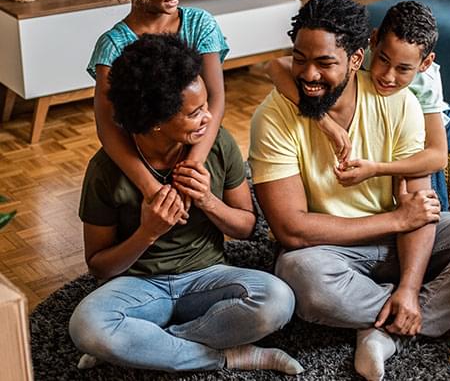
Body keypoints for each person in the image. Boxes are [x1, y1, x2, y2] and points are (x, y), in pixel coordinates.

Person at [249, 0, 450, 381]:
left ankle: (390, 323)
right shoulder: (273, 117)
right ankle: (448, 308)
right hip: (328, 251)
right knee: (300, 275)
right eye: (300, 58)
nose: (309, 74)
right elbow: (292, 230)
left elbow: (419, 202)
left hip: (397, 242)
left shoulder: (400, 103)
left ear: (355, 59)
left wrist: (411, 289)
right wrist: (396, 220)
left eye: (324, 62)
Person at [69, 34, 303, 375]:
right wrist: (147, 232)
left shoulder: (217, 145)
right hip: (138, 286)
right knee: (86, 327)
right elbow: (101, 267)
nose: (209, 118)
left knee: (278, 300)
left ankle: (149, 344)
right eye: (195, 113)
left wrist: (208, 201)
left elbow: (248, 228)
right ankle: (229, 357)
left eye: (206, 105)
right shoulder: (106, 170)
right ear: (156, 121)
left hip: (206, 278)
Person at [264, 0, 450, 210]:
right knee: (428, 203)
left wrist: (378, 169)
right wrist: (322, 120)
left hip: (446, 123)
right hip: (392, 126)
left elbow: (436, 155)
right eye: (383, 60)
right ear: (374, 42)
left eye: (403, 69)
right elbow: (276, 66)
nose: (388, 76)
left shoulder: (426, 82)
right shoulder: (354, 56)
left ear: (425, 63)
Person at [84, 0, 227, 209]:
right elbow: (108, 127)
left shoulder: (200, 25)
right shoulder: (112, 46)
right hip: (145, 155)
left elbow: (215, 98)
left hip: (197, 142)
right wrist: (150, 187)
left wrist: (192, 168)